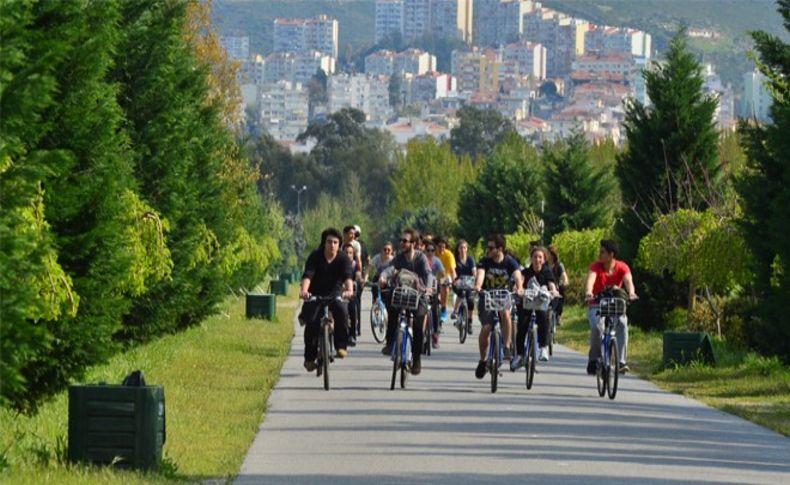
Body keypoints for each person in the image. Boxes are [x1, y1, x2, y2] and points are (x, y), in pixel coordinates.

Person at [379, 228, 435, 375]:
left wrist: (428, 289)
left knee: (417, 325)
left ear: (414, 243)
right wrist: (383, 277)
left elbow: (428, 274)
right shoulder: (399, 258)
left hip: (418, 296)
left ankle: (416, 359)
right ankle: (390, 342)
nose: (402, 243)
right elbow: (390, 269)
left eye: (405, 241)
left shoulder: (421, 258)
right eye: (401, 240)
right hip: (402, 294)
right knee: (392, 305)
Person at [299, 228, 355, 372]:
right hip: (315, 293)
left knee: (342, 311)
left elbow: (348, 276)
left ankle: (341, 346)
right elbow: (308, 275)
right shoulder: (315, 256)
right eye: (329, 242)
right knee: (311, 322)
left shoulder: (343, 258)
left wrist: (349, 290)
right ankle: (310, 358)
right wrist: (304, 291)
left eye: (335, 242)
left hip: (334, 293)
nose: (332, 245)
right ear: (324, 243)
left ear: (339, 244)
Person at [584, 239, 637, 375]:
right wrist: (589, 293)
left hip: (614, 306)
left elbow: (628, 281)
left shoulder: (622, 267)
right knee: (597, 328)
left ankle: (621, 362)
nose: (599, 255)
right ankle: (594, 360)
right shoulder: (596, 267)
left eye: (602, 252)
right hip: (596, 304)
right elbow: (591, 280)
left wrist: (631, 293)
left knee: (623, 324)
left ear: (611, 254)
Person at [473, 234, 523, 379]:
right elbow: (481, 276)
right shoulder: (485, 261)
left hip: (503, 297)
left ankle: (506, 347)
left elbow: (518, 275)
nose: (488, 250)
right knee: (486, 328)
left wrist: (519, 287)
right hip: (487, 297)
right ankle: (483, 360)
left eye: (491, 247)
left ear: (500, 249)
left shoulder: (510, 262)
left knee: (506, 314)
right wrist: (477, 286)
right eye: (487, 247)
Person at [515, 246, 559, 364]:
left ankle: (543, 348)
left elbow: (551, 284)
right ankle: (519, 355)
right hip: (527, 304)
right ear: (531, 259)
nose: (537, 259)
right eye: (535, 257)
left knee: (544, 318)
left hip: (541, 304)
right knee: (522, 325)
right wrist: (518, 289)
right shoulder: (527, 272)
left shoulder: (547, 271)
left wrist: (553, 291)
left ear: (544, 259)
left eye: (540, 257)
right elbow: (520, 281)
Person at [451, 239, 476, 335]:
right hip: (457, 282)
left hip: (469, 283)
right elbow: (452, 270)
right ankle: (455, 311)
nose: (463, 249)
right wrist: (455, 280)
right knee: (460, 293)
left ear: (467, 249)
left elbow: (474, 271)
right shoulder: (455, 259)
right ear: (458, 249)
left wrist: (475, 278)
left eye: (464, 247)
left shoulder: (470, 259)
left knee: (470, 300)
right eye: (461, 247)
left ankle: (469, 322)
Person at [424, 242, 446, 349]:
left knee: (435, 310)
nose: (430, 252)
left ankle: (435, 334)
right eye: (428, 250)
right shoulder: (421, 259)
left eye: (432, 250)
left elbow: (442, 274)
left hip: (433, 287)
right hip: (422, 287)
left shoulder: (437, 261)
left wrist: (442, 281)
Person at [342, 243, 363, 347]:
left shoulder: (355, 265)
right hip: (338, 293)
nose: (348, 254)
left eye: (350, 253)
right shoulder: (338, 263)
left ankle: (352, 335)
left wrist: (359, 279)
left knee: (352, 309)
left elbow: (358, 274)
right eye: (346, 252)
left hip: (350, 293)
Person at [434, 236, 457, 321]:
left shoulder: (449, 255)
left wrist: (455, 280)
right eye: (439, 247)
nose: (441, 249)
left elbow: (452, 270)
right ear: (436, 246)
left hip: (445, 276)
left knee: (445, 285)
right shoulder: (432, 253)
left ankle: (444, 308)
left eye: (444, 247)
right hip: (434, 277)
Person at [547, 245, 569, 326]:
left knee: (561, 291)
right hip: (546, 287)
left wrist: (565, 282)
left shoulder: (559, 265)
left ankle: (558, 315)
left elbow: (564, 276)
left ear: (553, 255)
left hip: (556, 287)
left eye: (548, 253)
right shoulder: (544, 265)